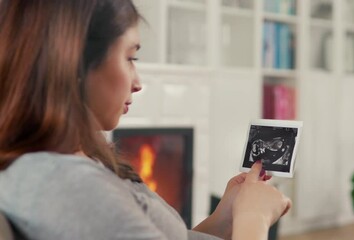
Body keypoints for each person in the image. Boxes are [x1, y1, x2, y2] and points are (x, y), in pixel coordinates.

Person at [0, 0, 292, 239]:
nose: (138, 82)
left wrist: (226, 216)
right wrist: (254, 218)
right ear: (72, 63)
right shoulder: (66, 185)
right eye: (130, 58)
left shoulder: (74, 160)